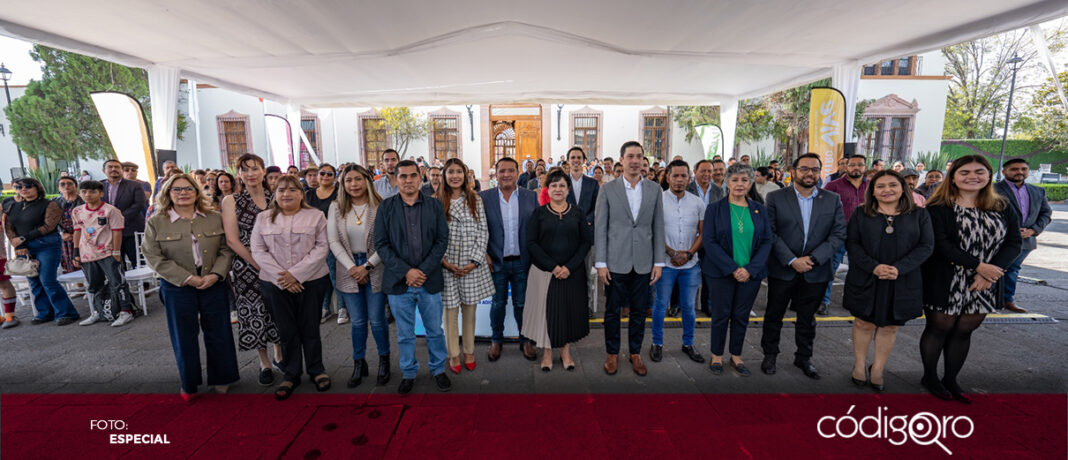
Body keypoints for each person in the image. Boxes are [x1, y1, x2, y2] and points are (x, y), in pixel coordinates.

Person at [920, 154, 1021, 403]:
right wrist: (979, 266)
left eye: (979, 172)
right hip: (946, 279)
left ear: (989, 176)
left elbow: (1014, 242)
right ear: (953, 177)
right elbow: (941, 245)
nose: (972, 177)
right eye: (965, 172)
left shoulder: (1002, 206)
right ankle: (930, 377)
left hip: (985, 283)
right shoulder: (939, 207)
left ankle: (951, 379)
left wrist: (992, 271)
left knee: (965, 331)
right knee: (939, 328)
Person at [142, 173, 238, 400]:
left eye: (188, 189)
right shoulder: (156, 222)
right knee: (183, 335)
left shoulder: (213, 218)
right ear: (167, 193)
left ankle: (223, 377)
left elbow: (226, 249)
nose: (183, 193)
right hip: (177, 286)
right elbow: (153, 257)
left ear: (197, 192)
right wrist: (187, 279)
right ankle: (188, 382)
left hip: (212, 282)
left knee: (219, 332)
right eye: (177, 189)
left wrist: (216, 274)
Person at [844, 170, 933, 391]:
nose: (887, 190)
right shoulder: (860, 214)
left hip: (902, 279)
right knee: (864, 322)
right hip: (867, 277)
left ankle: (878, 369)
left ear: (903, 187)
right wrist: (874, 267)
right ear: (872, 191)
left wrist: (898, 269)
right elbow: (852, 245)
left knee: (890, 326)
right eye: (880, 186)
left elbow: (926, 246)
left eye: (892, 185)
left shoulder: (919, 214)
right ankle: (859, 365)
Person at [760, 153, 846, 379]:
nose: (810, 173)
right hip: (783, 268)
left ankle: (804, 357)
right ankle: (770, 354)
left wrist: (813, 259)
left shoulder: (831, 199)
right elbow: (771, 232)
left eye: (815, 169)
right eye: (805, 169)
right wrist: (792, 260)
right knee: (774, 315)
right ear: (793, 171)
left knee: (807, 318)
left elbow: (838, 234)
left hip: (815, 270)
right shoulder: (776, 198)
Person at [251, 175, 333, 400]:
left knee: (310, 327)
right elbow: (258, 251)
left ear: (301, 193)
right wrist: (283, 279)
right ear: (275, 194)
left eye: (292, 190)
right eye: (281, 190)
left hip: (312, 280)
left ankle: (317, 370)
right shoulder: (263, 218)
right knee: (286, 330)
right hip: (274, 283)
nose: (286, 194)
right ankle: (291, 373)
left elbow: (322, 247)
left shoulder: (316, 216)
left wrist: (296, 275)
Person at [373, 159, 452, 393]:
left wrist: (422, 271)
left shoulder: (434, 206)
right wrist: (407, 271)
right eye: (403, 176)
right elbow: (381, 244)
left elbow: (441, 241)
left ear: (421, 177)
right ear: (396, 180)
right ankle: (408, 371)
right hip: (399, 282)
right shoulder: (386, 208)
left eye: (412, 176)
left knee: (435, 331)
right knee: (405, 334)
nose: (408, 180)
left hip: (429, 280)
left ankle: (438, 369)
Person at [595, 141, 665, 377]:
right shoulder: (608, 189)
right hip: (615, 262)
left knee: (638, 311)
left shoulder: (654, 190)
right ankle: (612, 353)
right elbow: (601, 227)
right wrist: (601, 263)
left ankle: (635, 353)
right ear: (622, 160)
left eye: (639, 156)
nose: (635, 161)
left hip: (644, 262)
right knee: (612, 311)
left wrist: (659, 262)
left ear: (643, 160)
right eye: (630, 156)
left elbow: (658, 227)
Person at [702, 163, 772, 376]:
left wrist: (750, 269)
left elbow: (767, 241)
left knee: (741, 315)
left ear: (751, 183)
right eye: (735, 180)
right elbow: (709, 241)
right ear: (727, 183)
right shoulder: (715, 209)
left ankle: (736, 355)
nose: (739, 184)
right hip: (722, 273)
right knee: (721, 315)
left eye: (744, 180)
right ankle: (716, 355)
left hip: (750, 274)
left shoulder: (760, 210)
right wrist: (733, 268)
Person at [221, 154, 283, 387]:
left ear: (263, 171)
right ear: (239, 174)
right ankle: (264, 362)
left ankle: (279, 355)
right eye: (244, 170)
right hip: (248, 266)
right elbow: (232, 240)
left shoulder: (275, 196)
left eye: (255, 168)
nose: (251, 174)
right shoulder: (231, 200)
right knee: (253, 312)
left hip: (278, 263)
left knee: (277, 309)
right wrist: (259, 265)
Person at [523, 169, 592, 371]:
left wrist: (569, 267)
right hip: (545, 272)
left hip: (573, 272)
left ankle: (565, 351)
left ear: (568, 189)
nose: (558, 189)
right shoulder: (539, 213)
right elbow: (531, 243)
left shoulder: (577, 213)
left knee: (569, 312)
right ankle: (546, 352)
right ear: (547, 189)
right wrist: (553, 267)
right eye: (553, 185)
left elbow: (586, 242)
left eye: (562, 185)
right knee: (546, 313)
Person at [328, 165, 390, 388]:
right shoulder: (336, 207)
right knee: (358, 322)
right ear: (342, 184)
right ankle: (358, 362)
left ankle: (384, 361)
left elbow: (386, 242)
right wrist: (353, 267)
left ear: (367, 181)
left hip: (376, 265)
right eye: (348, 180)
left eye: (358, 179)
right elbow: (333, 241)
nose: (353, 184)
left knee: (377, 319)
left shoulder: (381, 205)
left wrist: (367, 266)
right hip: (348, 267)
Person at [437, 158, 495, 373]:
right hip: (446, 264)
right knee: (449, 313)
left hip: (471, 264)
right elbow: (432, 235)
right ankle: (453, 354)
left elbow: (483, 231)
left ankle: (469, 351)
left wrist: (475, 261)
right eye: (450, 172)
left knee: (469, 311)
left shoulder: (475, 199)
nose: (454, 176)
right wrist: (444, 262)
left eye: (458, 172)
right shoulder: (436, 201)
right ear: (444, 175)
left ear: (465, 175)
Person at [481, 158, 539, 362]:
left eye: (511, 171)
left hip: (523, 261)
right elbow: (480, 230)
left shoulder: (530, 197)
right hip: (496, 262)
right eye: (502, 171)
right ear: (495, 174)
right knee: (497, 303)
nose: (506, 174)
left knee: (522, 303)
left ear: (517, 173)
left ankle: (526, 340)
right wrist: (484, 254)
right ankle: (496, 340)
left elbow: (536, 229)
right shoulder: (483, 198)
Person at [650, 160, 705, 363]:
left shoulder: (698, 202)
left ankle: (688, 343)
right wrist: (671, 252)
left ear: (689, 178)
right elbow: (654, 230)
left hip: (690, 265)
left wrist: (689, 254)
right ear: (668, 177)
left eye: (684, 176)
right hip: (665, 263)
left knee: (689, 306)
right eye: (675, 176)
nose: (680, 180)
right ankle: (657, 343)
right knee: (661, 304)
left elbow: (702, 233)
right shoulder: (659, 200)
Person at [4, 178, 80, 325]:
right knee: (33, 280)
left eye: (28, 186)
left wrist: (23, 238)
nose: (23, 189)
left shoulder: (49, 204)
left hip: (47, 244)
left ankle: (67, 313)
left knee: (47, 279)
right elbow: (9, 227)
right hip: (25, 247)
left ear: (37, 187)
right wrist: (19, 245)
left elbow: (49, 225)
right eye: (19, 187)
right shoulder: (13, 207)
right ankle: (45, 312)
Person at [71, 180, 136, 327]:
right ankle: (98, 311)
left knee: (117, 282)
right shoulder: (77, 211)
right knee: (94, 284)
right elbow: (77, 231)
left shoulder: (111, 210)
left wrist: (116, 251)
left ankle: (126, 311)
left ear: (101, 193)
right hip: (87, 254)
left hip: (108, 253)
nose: (87, 195)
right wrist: (76, 252)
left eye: (92, 191)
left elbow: (117, 231)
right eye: (84, 191)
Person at [995, 158, 1052, 314]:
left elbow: (1046, 214)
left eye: (1023, 169)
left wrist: (1033, 230)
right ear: (1004, 171)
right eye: (1014, 169)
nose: (1019, 172)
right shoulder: (992, 190)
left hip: (1026, 239)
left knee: (1013, 269)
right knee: (995, 268)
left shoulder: (1037, 191)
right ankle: (988, 300)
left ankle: (1008, 300)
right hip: (999, 239)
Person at [820, 154, 869, 315]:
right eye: (852, 164)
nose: (856, 167)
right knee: (830, 268)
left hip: (862, 235)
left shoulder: (872, 186)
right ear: (846, 167)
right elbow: (823, 208)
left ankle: (853, 301)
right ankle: (824, 301)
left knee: (859, 269)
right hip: (838, 233)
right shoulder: (834, 186)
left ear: (865, 167)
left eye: (859, 165)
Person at [303, 163, 345, 324]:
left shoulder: (339, 193)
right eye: (322, 173)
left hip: (334, 239)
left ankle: (342, 308)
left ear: (334, 177)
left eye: (329, 174)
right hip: (313, 240)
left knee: (334, 274)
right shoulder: (308, 195)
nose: (325, 176)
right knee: (319, 275)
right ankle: (324, 307)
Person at [101, 159, 148, 269]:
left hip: (131, 229)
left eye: (117, 167)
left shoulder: (135, 185)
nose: (114, 169)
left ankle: (144, 286)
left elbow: (139, 205)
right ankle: (121, 285)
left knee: (138, 262)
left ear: (121, 170)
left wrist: (117, 218)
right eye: (110, 167)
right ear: (104, 170)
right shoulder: (99, 186)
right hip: (108, 231)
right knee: (116, 264)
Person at [54, 176, 84, 274]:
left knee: (84, 264)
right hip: (64, 238)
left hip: (83, 236)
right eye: (62, 184)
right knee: (69, 265)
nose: (66, 186)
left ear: (76, 186)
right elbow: (52, 221)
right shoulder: (54, 202)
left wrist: (77, 234)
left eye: (69, 183)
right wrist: (61, 233)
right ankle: (79, 287)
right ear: (59, 188)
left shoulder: (83, 201)